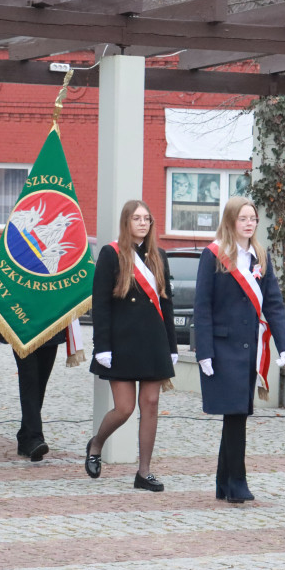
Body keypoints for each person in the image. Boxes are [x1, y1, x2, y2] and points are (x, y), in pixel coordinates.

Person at [194, 196, 285, 503]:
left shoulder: (259, 256)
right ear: (230, 222)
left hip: (248, 349)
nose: (249, 224)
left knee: (237, 415)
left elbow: (273, 303)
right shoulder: (213, 255)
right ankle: (236, 480)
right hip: (222, 350)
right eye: (243, 219)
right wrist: (204, 352)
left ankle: (224, 481)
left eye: (253, 219)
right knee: (235, 414)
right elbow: (203, 307)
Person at [86, 200, 178, 490]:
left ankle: (144, 472)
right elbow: (100, 304)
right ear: (126, 222)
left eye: (147, 219)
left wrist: (173, 346)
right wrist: (102, 346)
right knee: (124, 408)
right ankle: (97, 444)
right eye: (137, 218)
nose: (142, 223)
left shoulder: (159, 256)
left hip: (153, 342)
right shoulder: (111, 254)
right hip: (121, 343)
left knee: (150, 405)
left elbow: (167, 303)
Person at [13, 329, 66, 461]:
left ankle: (25, 437)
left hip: (50, 328)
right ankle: (34, 437)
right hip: (22, 329)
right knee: (29, 381)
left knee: (40, 384)